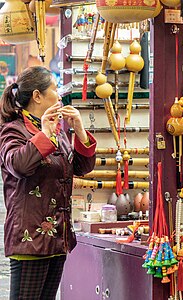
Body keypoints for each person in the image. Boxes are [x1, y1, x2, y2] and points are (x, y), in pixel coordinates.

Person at [0, 66, 96, 299]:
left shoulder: (57, 130)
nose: (60, 95)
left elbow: (81, 168)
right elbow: (19, 165)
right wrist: (44, 134)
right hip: (29, 238)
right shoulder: (13, 130)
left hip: (56, 237)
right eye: (55, 89)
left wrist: (80, 132)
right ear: (37, 96)